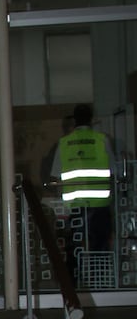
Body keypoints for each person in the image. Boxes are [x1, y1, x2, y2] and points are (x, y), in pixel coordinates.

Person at [49, 103, 116, 255]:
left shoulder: (64, 143)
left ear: (75, 120)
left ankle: (74, 278)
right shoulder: (101, 140)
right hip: (100, 204)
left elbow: (55, 176)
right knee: (100, 248)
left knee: (73, 246)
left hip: (74, 205)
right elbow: (114, 170)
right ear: (91, 119)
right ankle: (98, 276)